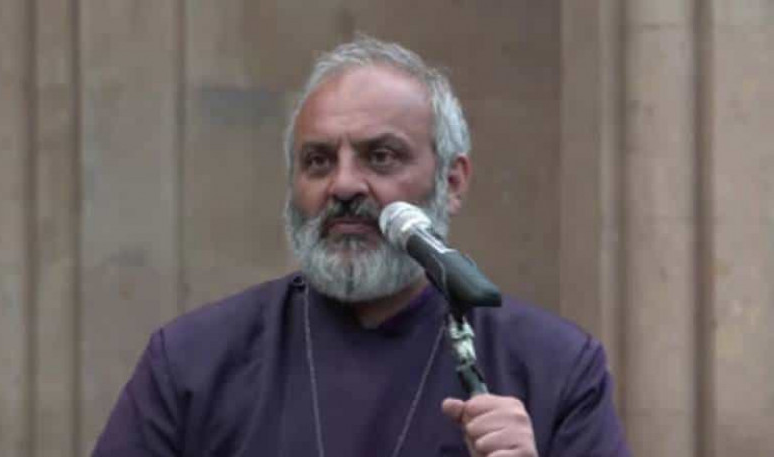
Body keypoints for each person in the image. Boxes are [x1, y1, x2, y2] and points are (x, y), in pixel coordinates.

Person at [92, 36, 630, 457]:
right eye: (319, 161)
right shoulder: (194, 361)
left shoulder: (555, 367)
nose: (344, 185)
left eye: (381, 156)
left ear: (452, 181)